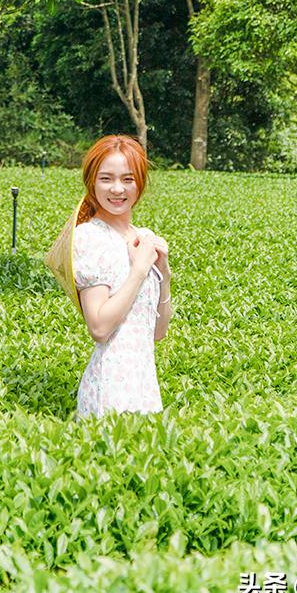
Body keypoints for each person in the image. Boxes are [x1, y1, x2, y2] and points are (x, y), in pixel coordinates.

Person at [71, 134, 172, 420]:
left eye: (128, 179)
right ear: (91, 182)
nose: (117, 189)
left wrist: (163, 275)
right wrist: (140, 271)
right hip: (110, 391)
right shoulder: (90, 238)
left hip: (145, 388)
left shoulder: (143, 237)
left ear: (140, 183)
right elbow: (99, 328)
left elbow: (157, 333)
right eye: (106, 179)